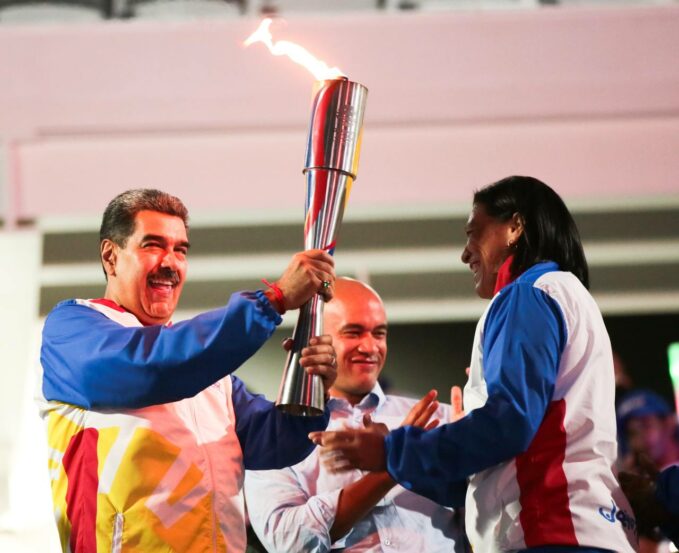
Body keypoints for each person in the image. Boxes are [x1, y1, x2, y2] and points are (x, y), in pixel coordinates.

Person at [311, 176, 638, 552]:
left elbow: (508, 423)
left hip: (551, 533)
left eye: (473, 233)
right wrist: (400, 461)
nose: (465, 253)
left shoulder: (528, 295)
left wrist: (393, 450)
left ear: (515, 226)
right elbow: (498, 469)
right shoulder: (566, 296)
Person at [37, 189, 339, 553]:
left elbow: (272, 442)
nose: (171, 262)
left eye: (181, 250)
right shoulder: (72, 329)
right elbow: (150, 368)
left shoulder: (206, 369)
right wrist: (272, 300)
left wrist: (313, 388)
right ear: (110, 256)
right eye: (153, 245)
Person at [244, 277, 469, 552]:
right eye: (353, 332)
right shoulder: (275, 438)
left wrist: (478, 465)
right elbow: (290, 541)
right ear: (314, 341)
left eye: (379, 333)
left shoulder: (441, 419)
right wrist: (395, 462)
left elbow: (491, 523)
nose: (370, 347)